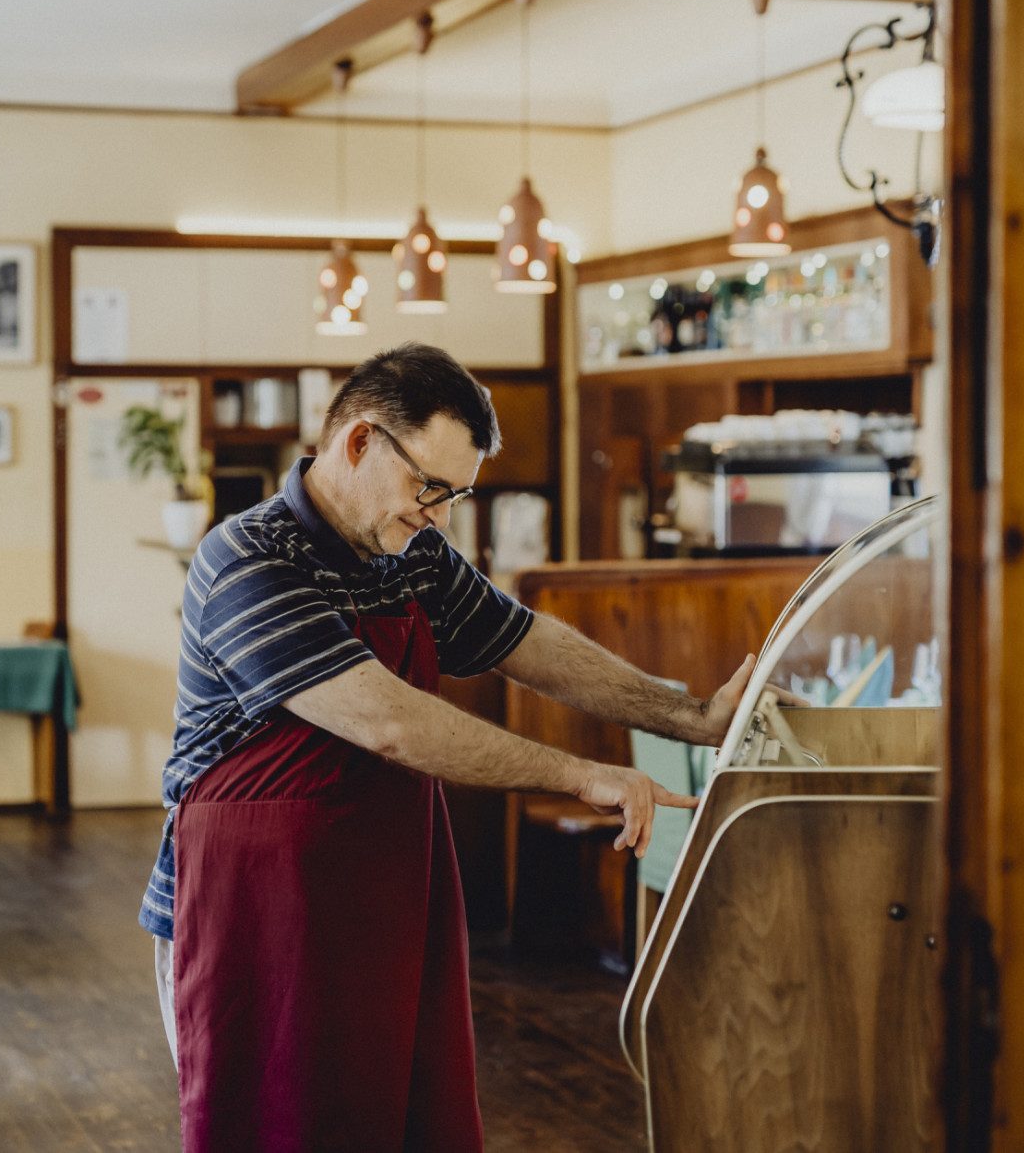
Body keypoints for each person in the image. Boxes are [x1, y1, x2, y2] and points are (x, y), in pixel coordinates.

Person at [141, 342, 781, 1151]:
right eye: (430, 488)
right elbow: (390, 722)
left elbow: (526, 642)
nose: (439, 515)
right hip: (248, 919)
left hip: (380, 901)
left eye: (457, 494)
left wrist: (690, 717)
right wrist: (579, 773)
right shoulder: (248, 558)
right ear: (361, 441)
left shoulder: (411, 553)